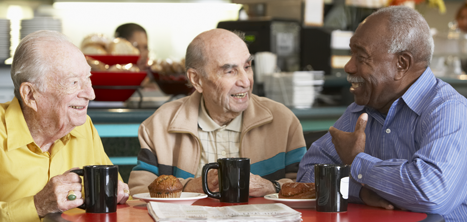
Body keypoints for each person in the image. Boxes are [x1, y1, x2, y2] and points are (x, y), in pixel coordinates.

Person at [297, 6, 467, 221]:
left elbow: (432, 194)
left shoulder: (449, 111)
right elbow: (308, 173)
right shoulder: (361, 110)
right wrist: (362, 192)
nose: (349, 67)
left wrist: (356, 161)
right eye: (352, 54)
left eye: (361, 57)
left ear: (401, 64)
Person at [128, 28, 306, 197]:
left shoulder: (283, 121)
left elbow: (307, 186)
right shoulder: (160, 124)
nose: (245, 81)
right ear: (196, 80)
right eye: (230, 71)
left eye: (247, 67)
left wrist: (270, 186)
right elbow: (138, 192)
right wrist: (192, 186)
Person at [0, 30, 130, 221]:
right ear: (30, 95)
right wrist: (37, 205)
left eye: (88, 79)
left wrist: (118, 193)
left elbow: (117, 192)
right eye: (74, 82)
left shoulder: (83, 127)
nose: (90, 94)